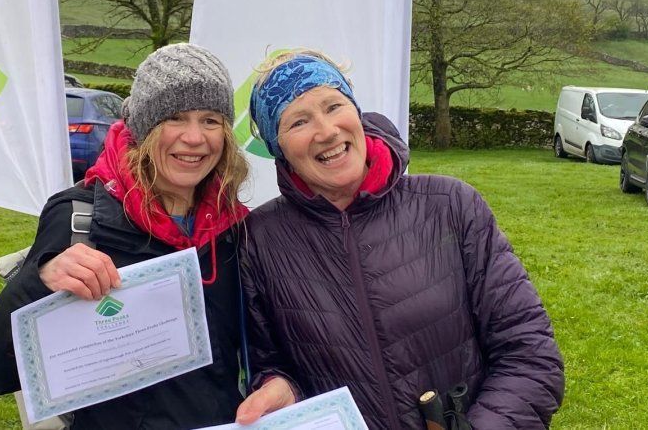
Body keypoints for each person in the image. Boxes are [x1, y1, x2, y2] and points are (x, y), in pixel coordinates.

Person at [234, 51, 564, 429]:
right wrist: (281, 388)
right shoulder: (259, 241)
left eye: (334, 105)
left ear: (356, 112)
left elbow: (530, 354)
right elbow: (269, 362)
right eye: (298, 122)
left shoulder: (451, 206)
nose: (326, 131)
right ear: (279, 150)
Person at [0, 44, 251, 429]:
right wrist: (40, 280)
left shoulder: (235, 231)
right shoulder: (79, 217)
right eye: (174, 117)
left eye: (210, 120)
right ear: (143, 127)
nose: (194, 137)